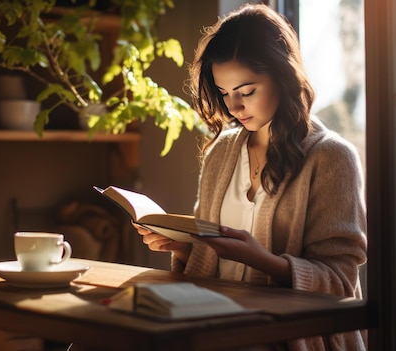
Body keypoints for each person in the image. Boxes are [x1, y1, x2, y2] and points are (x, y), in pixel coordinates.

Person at [135, 3, 367, 351]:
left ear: (283, 76)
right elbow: (215, 264)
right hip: (217, 325)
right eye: (224, 93)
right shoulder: (221, 152)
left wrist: (263, 261)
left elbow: (340, 282)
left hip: (288, 337)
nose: (234, 107)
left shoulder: (332, 158)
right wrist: (184, 246)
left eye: (246, 91)